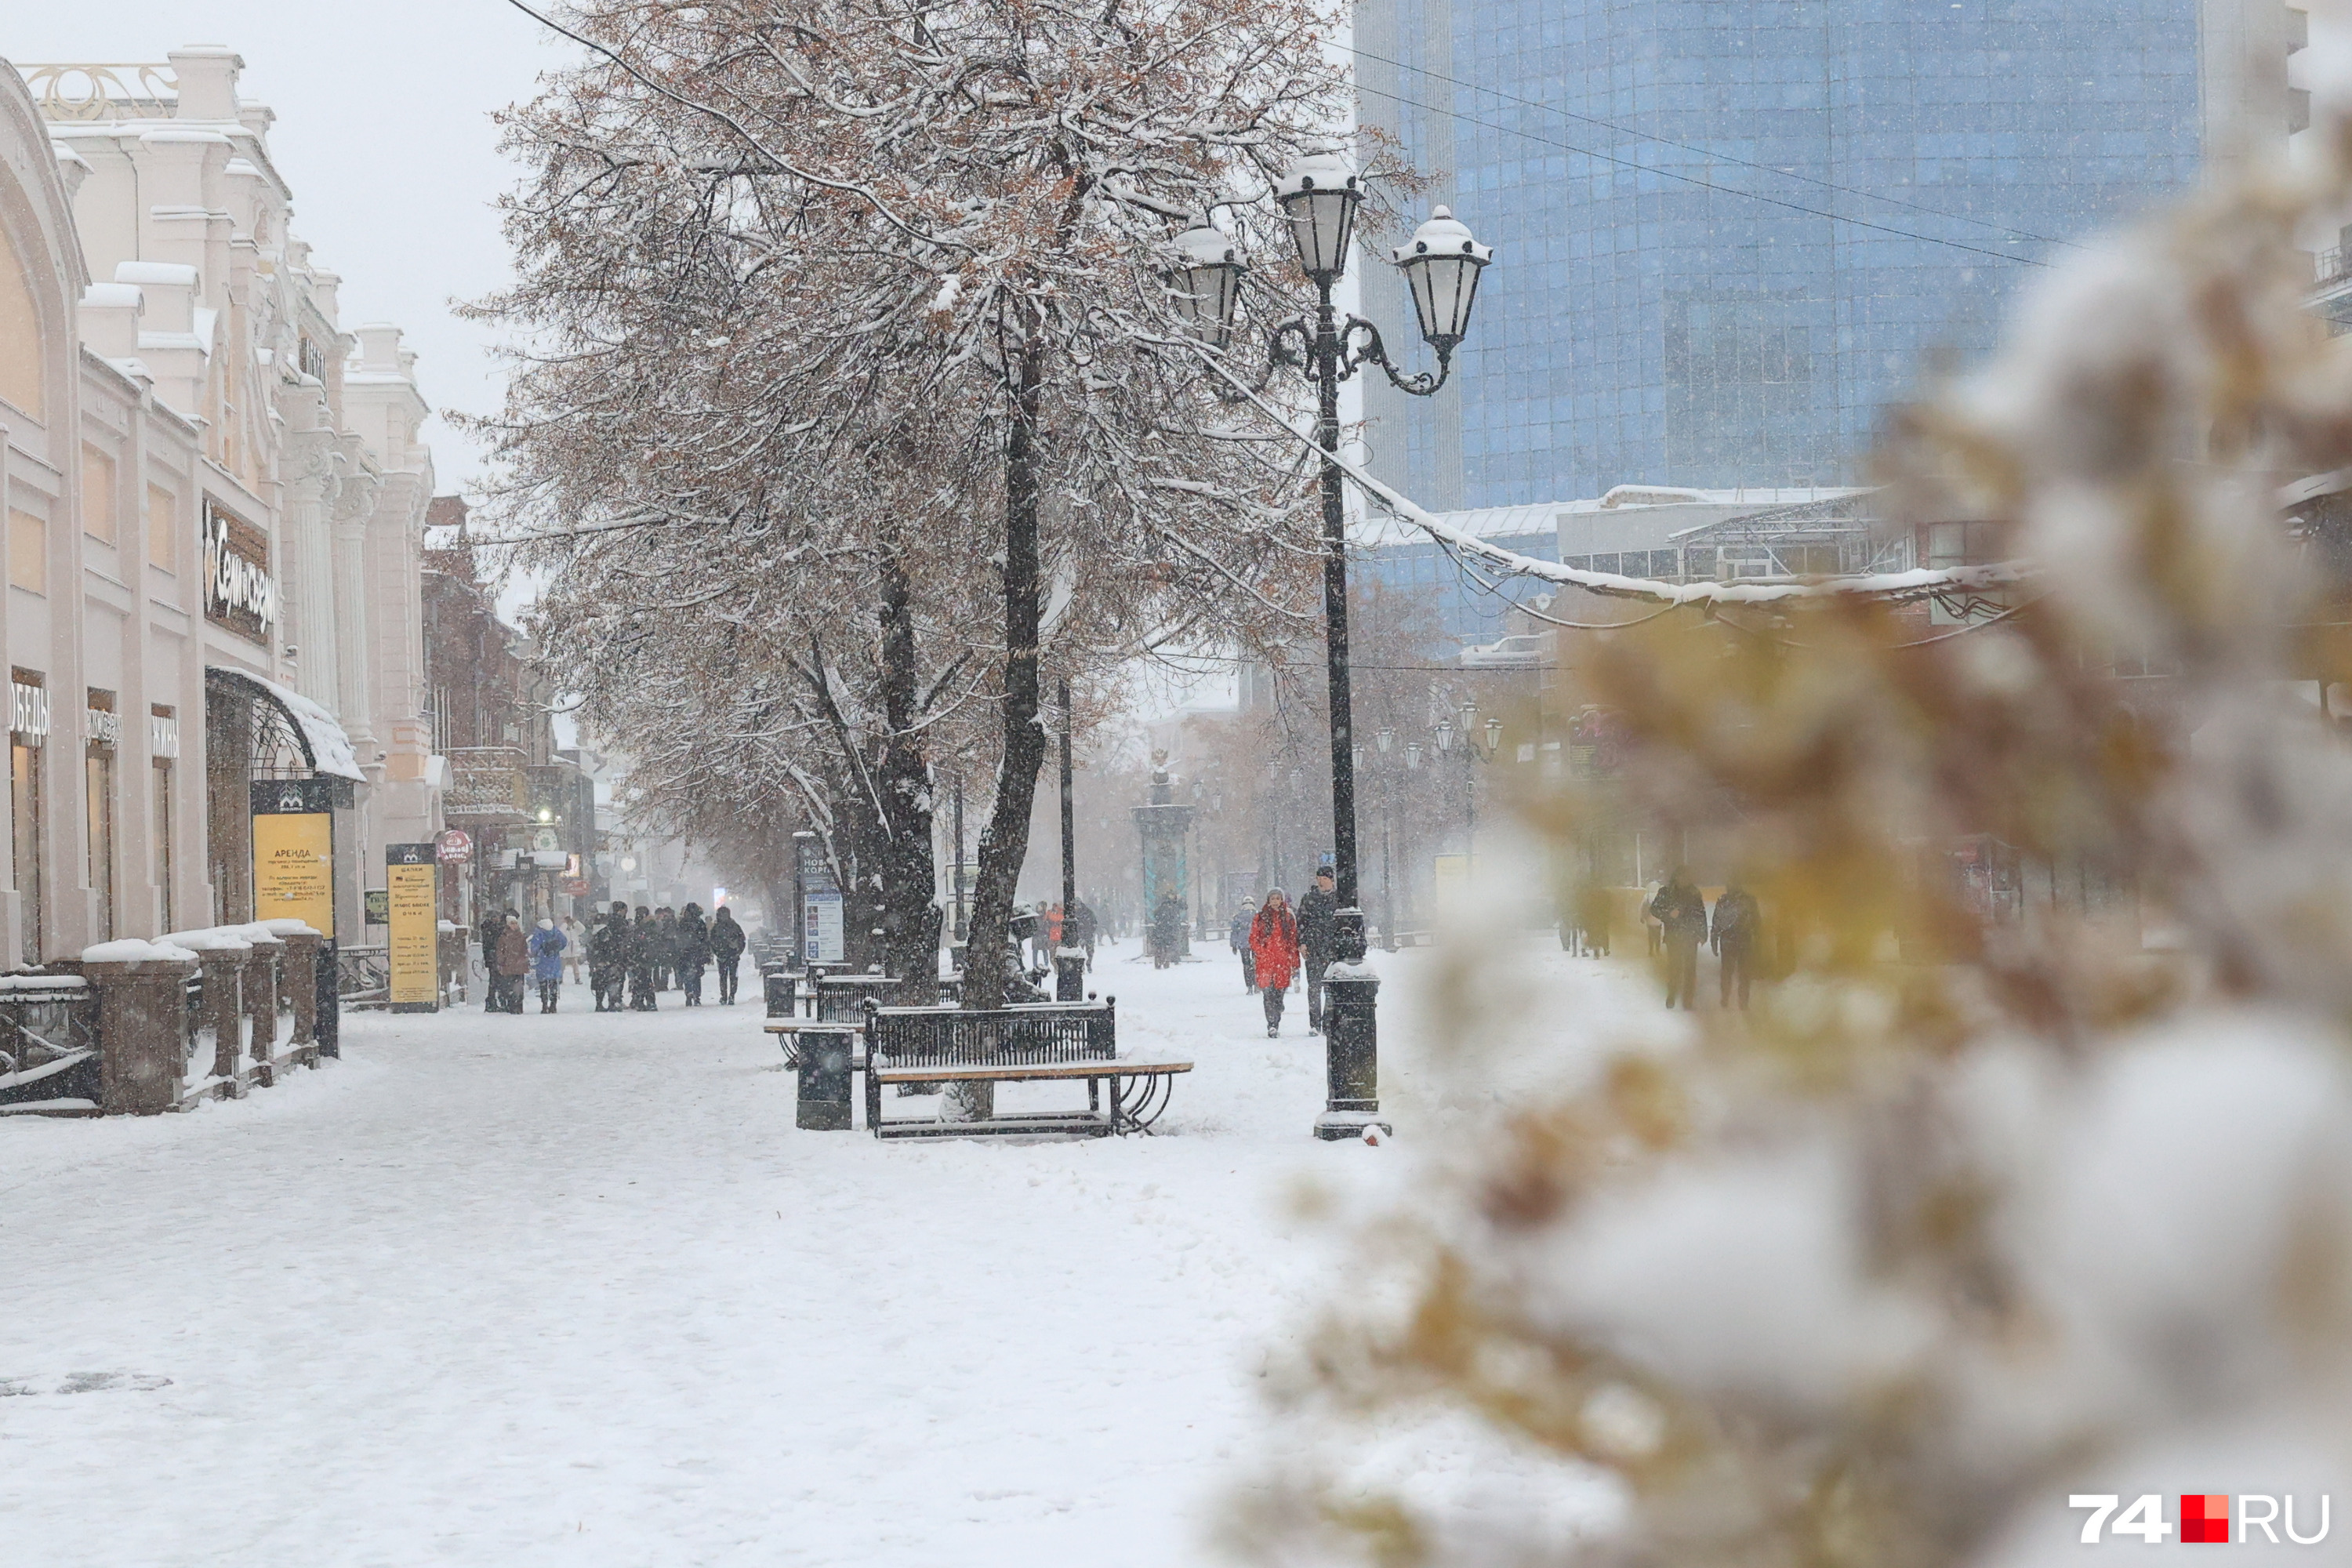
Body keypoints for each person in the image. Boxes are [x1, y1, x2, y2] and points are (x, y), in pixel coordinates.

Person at [1649, 866, 1708, 1010]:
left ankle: (1688, 1000)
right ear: (1675, 878)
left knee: (1690, 970)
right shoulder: (1666, 892)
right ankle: (1672, 995)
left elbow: (1701, 913)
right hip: (1673, 936)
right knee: (1674, 968)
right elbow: (1654, 909)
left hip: (1691, 937)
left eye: (1686, 877)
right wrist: (1669, 914)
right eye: (1681, 877)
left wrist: (1702, 933)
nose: (1683, 880)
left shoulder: (1694, 893)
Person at [1249, 889, 1301, 1037]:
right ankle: (1272, 1024)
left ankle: (1277, 1012)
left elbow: (1292, 940)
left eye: (1278, 898)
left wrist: (1294, 961)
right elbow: (1253, 938)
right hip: (1266, 961)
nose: (1275, 901)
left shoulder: (1288, 918)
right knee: (1268, 994)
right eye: (1272, 898)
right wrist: (1261, 952)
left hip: (1282, 961)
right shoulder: (1260, 917)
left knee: (1279, 993)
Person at [1297, 868, 1338, 1036]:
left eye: (1324, 878)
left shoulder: (1338, 900)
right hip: (1314, 948)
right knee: (1314, 987)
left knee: (1330, 988)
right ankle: (1314, 1024)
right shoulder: (1308, 899)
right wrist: (1302, 942)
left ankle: (1327, 1021)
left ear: (1331, 880)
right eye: (1318, 878)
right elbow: (1301, 922)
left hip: (1332, 949)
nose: (1321, 881)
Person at [1711, 878, 1761, 1011]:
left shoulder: (1726, 901)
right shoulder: (1746, 900)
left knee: (1733, 972)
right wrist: (1714, 939)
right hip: (1739, 941)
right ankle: (1736, 998)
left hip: (1733, 941)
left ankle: (1732, 998)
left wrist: (1714, 940)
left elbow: (1717, 923)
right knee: (1739, 973)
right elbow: (1756, 921)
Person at [588, 902, 629, 1012]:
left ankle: (600, 1003)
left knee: (600, 981)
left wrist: (594, 962)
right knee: (614, 980)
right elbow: (620, 940)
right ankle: (613, 1002)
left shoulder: (596, 933)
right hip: (613, 958)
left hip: (601, 959)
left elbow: (592, 947)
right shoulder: (614, 928)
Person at [675, 902, 713, 1006]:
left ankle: (689, 991)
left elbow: (678, 937)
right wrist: (706, 953)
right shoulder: (700, 923)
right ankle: (697, 995)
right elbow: (705, 939)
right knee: (697, 975)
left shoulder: (683, 923)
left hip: (685, 952)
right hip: (698, 952)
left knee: (687, 973)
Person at [709, 905, 746, 1004]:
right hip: (732, 955)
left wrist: (717, 952)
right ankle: (731, 995)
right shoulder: (734, 926)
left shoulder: (717, 928)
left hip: (723, 956)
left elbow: (712, 942)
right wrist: (737, 952)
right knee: (732, 976)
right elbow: (742, 940)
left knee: (723, 977)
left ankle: (725, 996)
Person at [529, 917, 568, 1013]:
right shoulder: (556, 932)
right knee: (553, 984)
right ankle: (553, 1005)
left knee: (543, 985)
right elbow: (564, 942)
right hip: (554, 962)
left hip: (542, 963)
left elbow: (534, 948)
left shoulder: (539, 934)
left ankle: (544, 1005)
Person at [494, 916, 531, 1014]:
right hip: (509, 965)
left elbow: (524, 950)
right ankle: (511, 1006)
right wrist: (502, 960)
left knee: (518, 988)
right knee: (509, 987)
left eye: (515, 923)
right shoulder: (503, 937)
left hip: (518, 966)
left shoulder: (521, 936)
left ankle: (518, 1006)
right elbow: (500, 950)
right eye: (512, 923)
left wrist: (524, 960)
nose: (514, 925)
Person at [628, 906, 659, 1011]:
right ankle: (644, 1001)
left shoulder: (645, 926)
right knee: (643, 979)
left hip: (641, 956)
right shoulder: (643, 927)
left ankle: (641, 1000)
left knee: (641, 979)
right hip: (643, 956)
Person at [1149, 889, 1187, 970]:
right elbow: (1184, 908)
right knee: (1169, 945)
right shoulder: (1173, 907)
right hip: (1169, 930)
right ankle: (1169, 960)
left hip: (1160, 930)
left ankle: (1159, 960)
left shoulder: (1161, 907)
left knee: (1160, 946)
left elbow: (1156, 916)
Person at [479, 913, 509, 1014]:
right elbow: (494, 943)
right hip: (495, 958)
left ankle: (492, 1002)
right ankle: (496, 1002)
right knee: (497, 981)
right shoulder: (493, 930)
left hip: (491, 958)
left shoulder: (487, 929)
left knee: (494, 981)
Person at [1229, 897, 1258, 992]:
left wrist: (1234, 945)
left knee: (1246, 964)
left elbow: (1234, 931)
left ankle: (1249, 986)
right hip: (1256, 943)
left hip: (1243, 943)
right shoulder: (1258, 915)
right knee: (1257, 963)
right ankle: (1257, 984)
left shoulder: (1238, 916)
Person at [1065, 896, 1098, 963]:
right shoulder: (1072, 914)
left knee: (1090, 952)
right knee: (1079, 952)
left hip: (1088, 934)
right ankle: (1081, 965)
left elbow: (1094, 922)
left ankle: (1089, 963)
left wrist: (1091, 930)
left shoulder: (1089, 912)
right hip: (1078, 935)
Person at [652, 907, 678, 990]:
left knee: (660, 967)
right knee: (665, 967)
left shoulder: (663, 922)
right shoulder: (673, 922)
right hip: (668, 947)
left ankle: (659, 984)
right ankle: (663, 984)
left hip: (662, 946)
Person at [559, 913, 586, 985]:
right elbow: (561, 932)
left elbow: (583, 929)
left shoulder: (575, 929)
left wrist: (576, 922)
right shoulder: (563, 928)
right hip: (565, 951)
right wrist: (565, 924)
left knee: (576, 967)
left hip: (573, 951)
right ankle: (560, 979)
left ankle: (577, 979)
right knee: (562, 967)